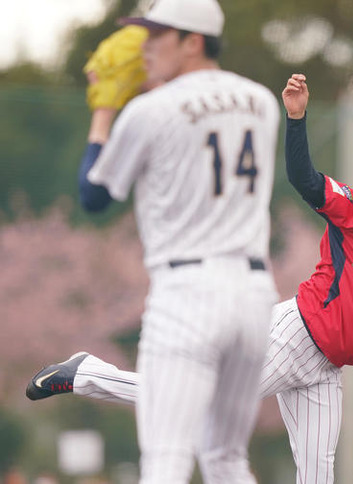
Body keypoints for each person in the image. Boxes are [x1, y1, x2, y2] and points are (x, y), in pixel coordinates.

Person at [27, 73, 353, 483]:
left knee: (319, 475)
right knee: (200, 402)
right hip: (296, 334)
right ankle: (86, 373)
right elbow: (305, 179)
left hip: (328, 367)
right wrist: (296, 119)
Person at [28, 1, 281, 483]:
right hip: (253, 296)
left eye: (158, 35)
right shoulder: (262, 102)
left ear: (193, 41)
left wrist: (104, 112)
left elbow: (95, 195)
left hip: (186, 294)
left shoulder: (151, 110)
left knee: (166, 459)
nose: (146, 46)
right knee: (226, 456)